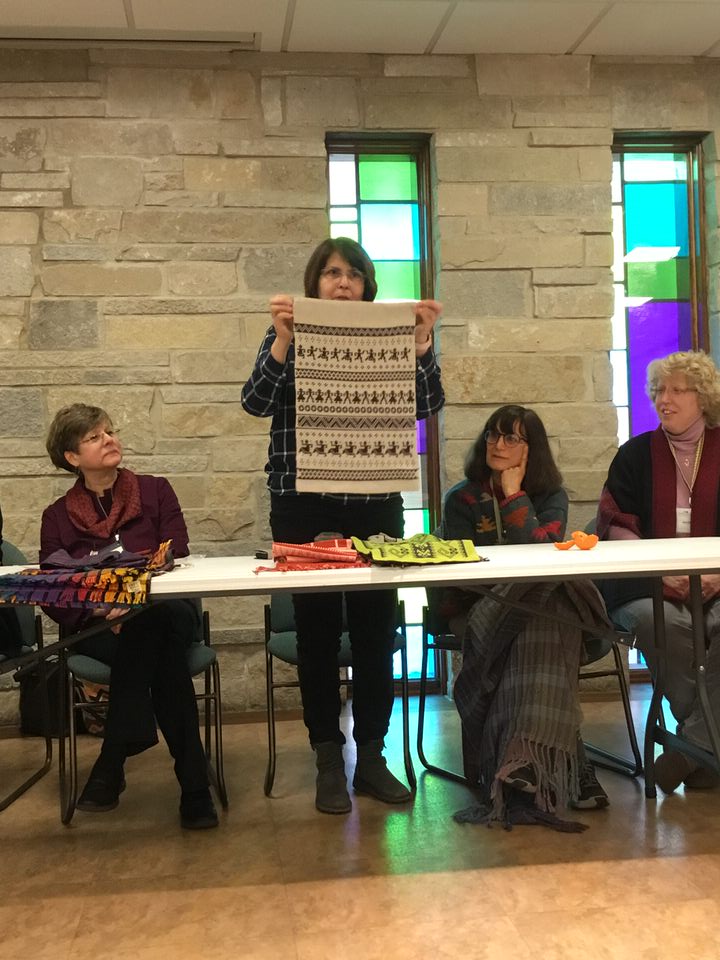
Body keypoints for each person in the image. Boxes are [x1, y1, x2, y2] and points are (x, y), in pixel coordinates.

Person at [241, 236, 444, 814]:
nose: (343, 282)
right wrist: (283, 340)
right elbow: (255, 402)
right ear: (315, 282)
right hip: (303, 503)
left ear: (367, 286)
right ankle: (328, 759)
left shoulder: (391, 335)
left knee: (378, 632)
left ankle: (372, 756)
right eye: (332, 272)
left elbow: (428, 404)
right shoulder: (286, 334)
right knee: (317, 634)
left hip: (375, 502)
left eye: (353, 273)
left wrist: (421, 345)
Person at [40, 403, 218, 829]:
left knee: (149, 625)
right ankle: (195, 789)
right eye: (95, 437)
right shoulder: (56, 517)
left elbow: (176, 549)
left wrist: (133, 598)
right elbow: (52, 591)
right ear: (72, 457)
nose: (110, 440)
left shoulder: (155, 490)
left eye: (110, 431)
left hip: (166, 610)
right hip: (100, 626)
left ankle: (111, 761)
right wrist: (101, 606)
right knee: (165, 662)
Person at [441, 404, 610, 829]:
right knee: (548, 615)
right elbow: (461, 574)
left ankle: (523, 760)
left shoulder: (550, 497)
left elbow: (542, 557)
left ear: (532, 449)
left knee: (539, 616)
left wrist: (515, 495)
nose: (498, 445)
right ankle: (572, 762)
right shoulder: (462, 499)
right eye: (492, 435)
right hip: (479, 609)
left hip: (534, 611)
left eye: (511, 438)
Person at [597, 350, 720, 794]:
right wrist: (657, 571)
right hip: (646, 583)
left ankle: (691, 748)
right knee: (659, 622)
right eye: (658, 391)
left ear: (703, 398)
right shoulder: (635, 455)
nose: (663, 400)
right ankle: (707, 742)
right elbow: (615, 522)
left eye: (676, 391)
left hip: (718, 582)